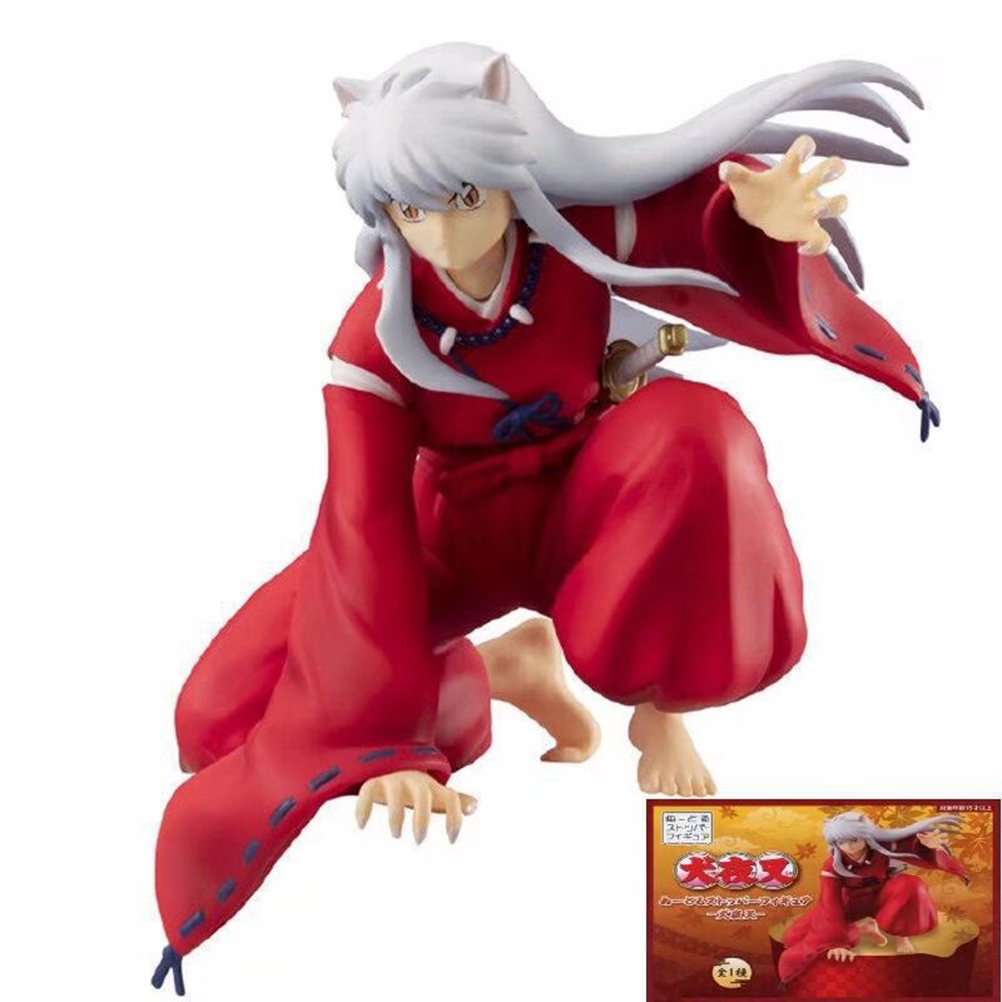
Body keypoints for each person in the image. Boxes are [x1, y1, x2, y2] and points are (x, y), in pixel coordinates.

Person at [152, 44, 933, 992]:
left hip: (592, 501)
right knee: (215, 721)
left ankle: (661, 705)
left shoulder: (573, 237)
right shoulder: (372, 343)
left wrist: (759, 227)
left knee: (699, 431)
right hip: (452, 532)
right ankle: (502, 670)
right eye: (411, 210)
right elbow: (363, 529)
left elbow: (700, 230)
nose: (442, 234)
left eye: (463, 198)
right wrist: (381, 742)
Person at [778, 812, 969, 983]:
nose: (848, 847)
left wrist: (925, 847)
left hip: (883, 898)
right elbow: (830, 904)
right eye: (841, 842)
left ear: (866, 836)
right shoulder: (832, 866)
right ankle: (863, 926)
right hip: (850, 904)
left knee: (911, 884)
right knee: (792, 938)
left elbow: (915, 850)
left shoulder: (884, 849)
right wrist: (838, 943)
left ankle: (901, 938)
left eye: (854, 840)